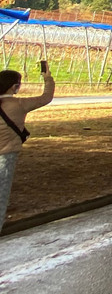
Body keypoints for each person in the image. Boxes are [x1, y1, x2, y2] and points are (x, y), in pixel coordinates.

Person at [0, 65, 55, 225]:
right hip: (6, 155)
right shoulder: (19, 104)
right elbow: (46, 97)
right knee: (2, 194)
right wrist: (48, 78)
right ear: (14, 87)